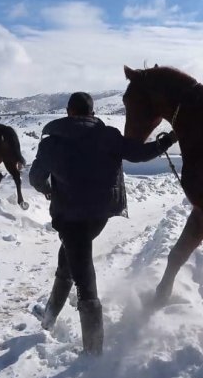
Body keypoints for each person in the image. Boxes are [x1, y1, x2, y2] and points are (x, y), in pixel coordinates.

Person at [29, 91, 177, 355]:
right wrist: (168, 140)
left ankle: (93, 352)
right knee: (68, 261)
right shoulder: (108, 136)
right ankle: (49, 318)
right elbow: (140, 154)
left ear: (69, 112)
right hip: (100, 215)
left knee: (84, 278)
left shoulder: (52, 142)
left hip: (71, 218)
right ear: (92, 111)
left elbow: (35, 178)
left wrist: (47, 189)